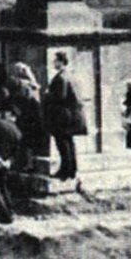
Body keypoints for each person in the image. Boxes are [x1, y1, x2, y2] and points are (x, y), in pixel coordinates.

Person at [44, 52, 85, 181]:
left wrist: (47, 94)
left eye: (56, 61)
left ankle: (65, 170)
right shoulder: (70, 75)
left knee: (63, 143)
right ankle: (71, 169)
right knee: (68, 142)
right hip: (70, 115)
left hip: (63, 116)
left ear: (61, 62)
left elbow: (60, 97)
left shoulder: (61, 78)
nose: (54, 63)